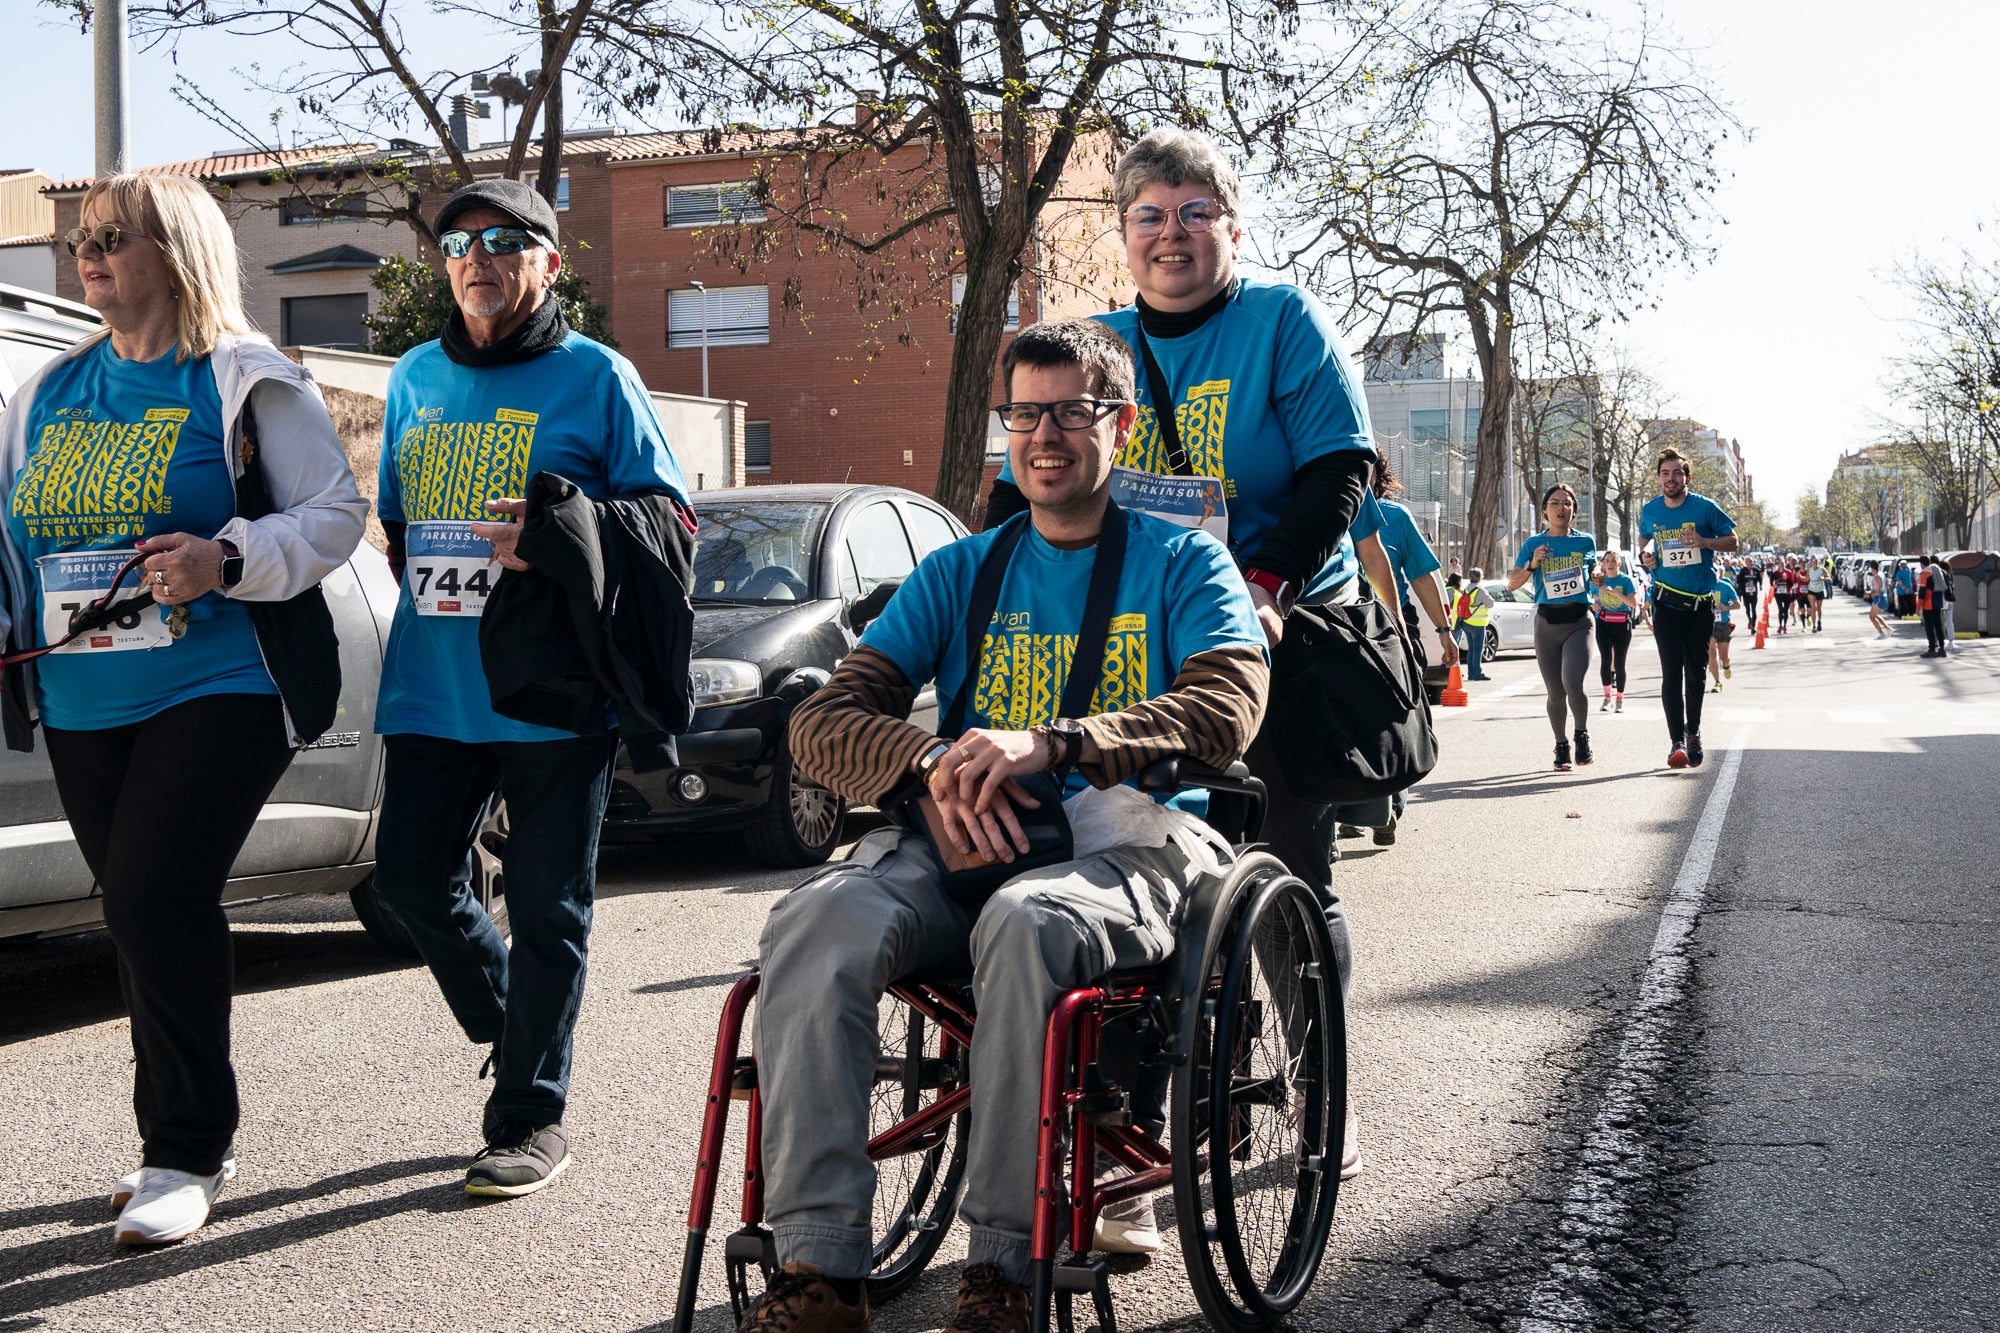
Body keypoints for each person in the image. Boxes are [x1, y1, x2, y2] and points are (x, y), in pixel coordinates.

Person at [743, 318, 1269, 1333]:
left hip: (1127, 839)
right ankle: (816, 1272)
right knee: (812, 923)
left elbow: (1224, 706)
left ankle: (1000, 1267)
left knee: (1024, 924)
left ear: (1115, 425)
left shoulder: (1183, 565)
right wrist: (928, 758)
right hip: (958, 843)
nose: (1044, 435)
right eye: (1023, 413)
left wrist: (1055, 743)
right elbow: (822, 721)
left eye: (1070, 412)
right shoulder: (962, 570)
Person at [978, 127, 1376, 1198]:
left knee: (1291, 862)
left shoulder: (1279, 321)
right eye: (1148, 215)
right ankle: (1122, 1130)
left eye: (1194, 212)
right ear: (1121, 234)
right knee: (1113, 864)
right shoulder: (1094, 341)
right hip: (1128, 647)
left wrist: (1265, 586)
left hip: (1273, 632)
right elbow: (1027, 480)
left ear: (1230, 227)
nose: (1171, 234)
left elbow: (1340, 471)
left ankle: (1313, 1079)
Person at [0, 173, 366, 1244]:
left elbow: (333, 515)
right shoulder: (47, 393)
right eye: (84, 237)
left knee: (158, 895)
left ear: (179, 250)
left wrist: (226, 556)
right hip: (78, 693)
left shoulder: (243, 380)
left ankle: (186, 1148)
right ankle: (178, 1132)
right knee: (136, 908)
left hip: (218, 684)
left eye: (118, 236)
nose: (93, 252)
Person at [369, 179, 692, 1197]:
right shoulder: (413, 377)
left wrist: (558, 535)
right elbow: (395, 525)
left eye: (506, 240)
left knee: (550, 906)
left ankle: (528, 1115)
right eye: (458, 242)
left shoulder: (596, 375)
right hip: (432, 682)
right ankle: (514, 1021)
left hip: (554, 688)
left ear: (548, 264)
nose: (479, 257)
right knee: (411, 878)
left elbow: (671, 522)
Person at [1336, 456, 1456, 846]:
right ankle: (1351, 809)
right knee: (1341, 722)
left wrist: (1444, 631)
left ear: (1375, 472)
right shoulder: (1326, 509)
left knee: (1392, 719)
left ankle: (1390, 805)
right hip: (1337, 622)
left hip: (1391, 623)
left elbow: (1422, 576)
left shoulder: (1395, 517)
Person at [1638, 447, 1737, 770]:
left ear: (1687, 477)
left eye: (1677, 473)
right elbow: (1644, 542)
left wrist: (1705, 542)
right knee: (1670, 674)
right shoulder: (1651, 510)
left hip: (1699, 605)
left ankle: (1693, 732)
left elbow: (1733, 540)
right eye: (1665, 473)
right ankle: (1675, 743)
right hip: (1665, 602)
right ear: (1659, 478)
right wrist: (1646, 557)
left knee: (1694, 675)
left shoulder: (1705, 508)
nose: (1671, 479)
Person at [1510, 483, 1597, 771]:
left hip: (1578, 622)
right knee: (1555, 692)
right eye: (1555, 503)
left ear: (1574, 510)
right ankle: (1561, 745)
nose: (1562, 508)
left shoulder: (1585, 542)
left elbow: (1593, 569)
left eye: (1567, 503)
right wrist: (1533, 564)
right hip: (1547, 623)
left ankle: (1581, 734)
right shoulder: (1533, 543)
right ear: (1545, 510)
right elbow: (1513, 583)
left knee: (1573, 681)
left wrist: (1596, 575)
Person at [1592, 549, 1644, 713]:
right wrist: (1593, 605)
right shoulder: (1598, 580)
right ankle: (1607, 698)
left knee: (1620, 662)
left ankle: (1620, 698)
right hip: (1604, 623)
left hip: (1622, 623)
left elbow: (1634, 604)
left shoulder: (1626, 580)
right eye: (1607, 561)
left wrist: (1615, 593)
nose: (1610, 564)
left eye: (1613, 561)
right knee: (1606, 660)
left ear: (1619, 563)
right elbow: (1591, 598)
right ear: (1602, 563)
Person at [1454, 567, 1494, 680]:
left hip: (1466, 622)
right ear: (1480, 578)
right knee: (1478, 649)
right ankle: (1477, 673)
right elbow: (1491, 603)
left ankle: (1471, 672)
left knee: (1471, 649)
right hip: (1477, 624)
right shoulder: (1480, 590)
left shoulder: (1466, 589)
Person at [1709, 579, 1740, 690]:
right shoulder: (1702, 585)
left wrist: (1726, 607)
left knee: (1724, 657)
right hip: (1708, 625)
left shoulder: (1725, 586)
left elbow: (1738, 604)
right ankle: (1717, 683)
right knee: (1711, 652)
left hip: (1723, 625)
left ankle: (1726, 666)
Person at [1920, 553, 1949, 657]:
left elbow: (1922, 592)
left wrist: (1918, 606)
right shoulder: (1939, 571)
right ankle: (1941, 648)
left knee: (1929, 627)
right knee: (1938, 625)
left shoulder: (1926, 573)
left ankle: (1932, 648)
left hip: (1929, 603)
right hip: (1938, 602)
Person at [1804, 557, 1827, 632]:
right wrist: (1799, 577)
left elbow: (1829, 578)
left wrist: (1823, 578)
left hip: (1820, 590)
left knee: (1818, 608)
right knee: (1813, 608)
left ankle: (1819, 621)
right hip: (1811, 590)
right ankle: (1814, 626)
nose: (1815, 563)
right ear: (1811, 563)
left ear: (1818, 563)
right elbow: (1806, 579)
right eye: (1814, 562)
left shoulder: (1822, 569)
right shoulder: (1809, 570)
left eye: (1816, 562)